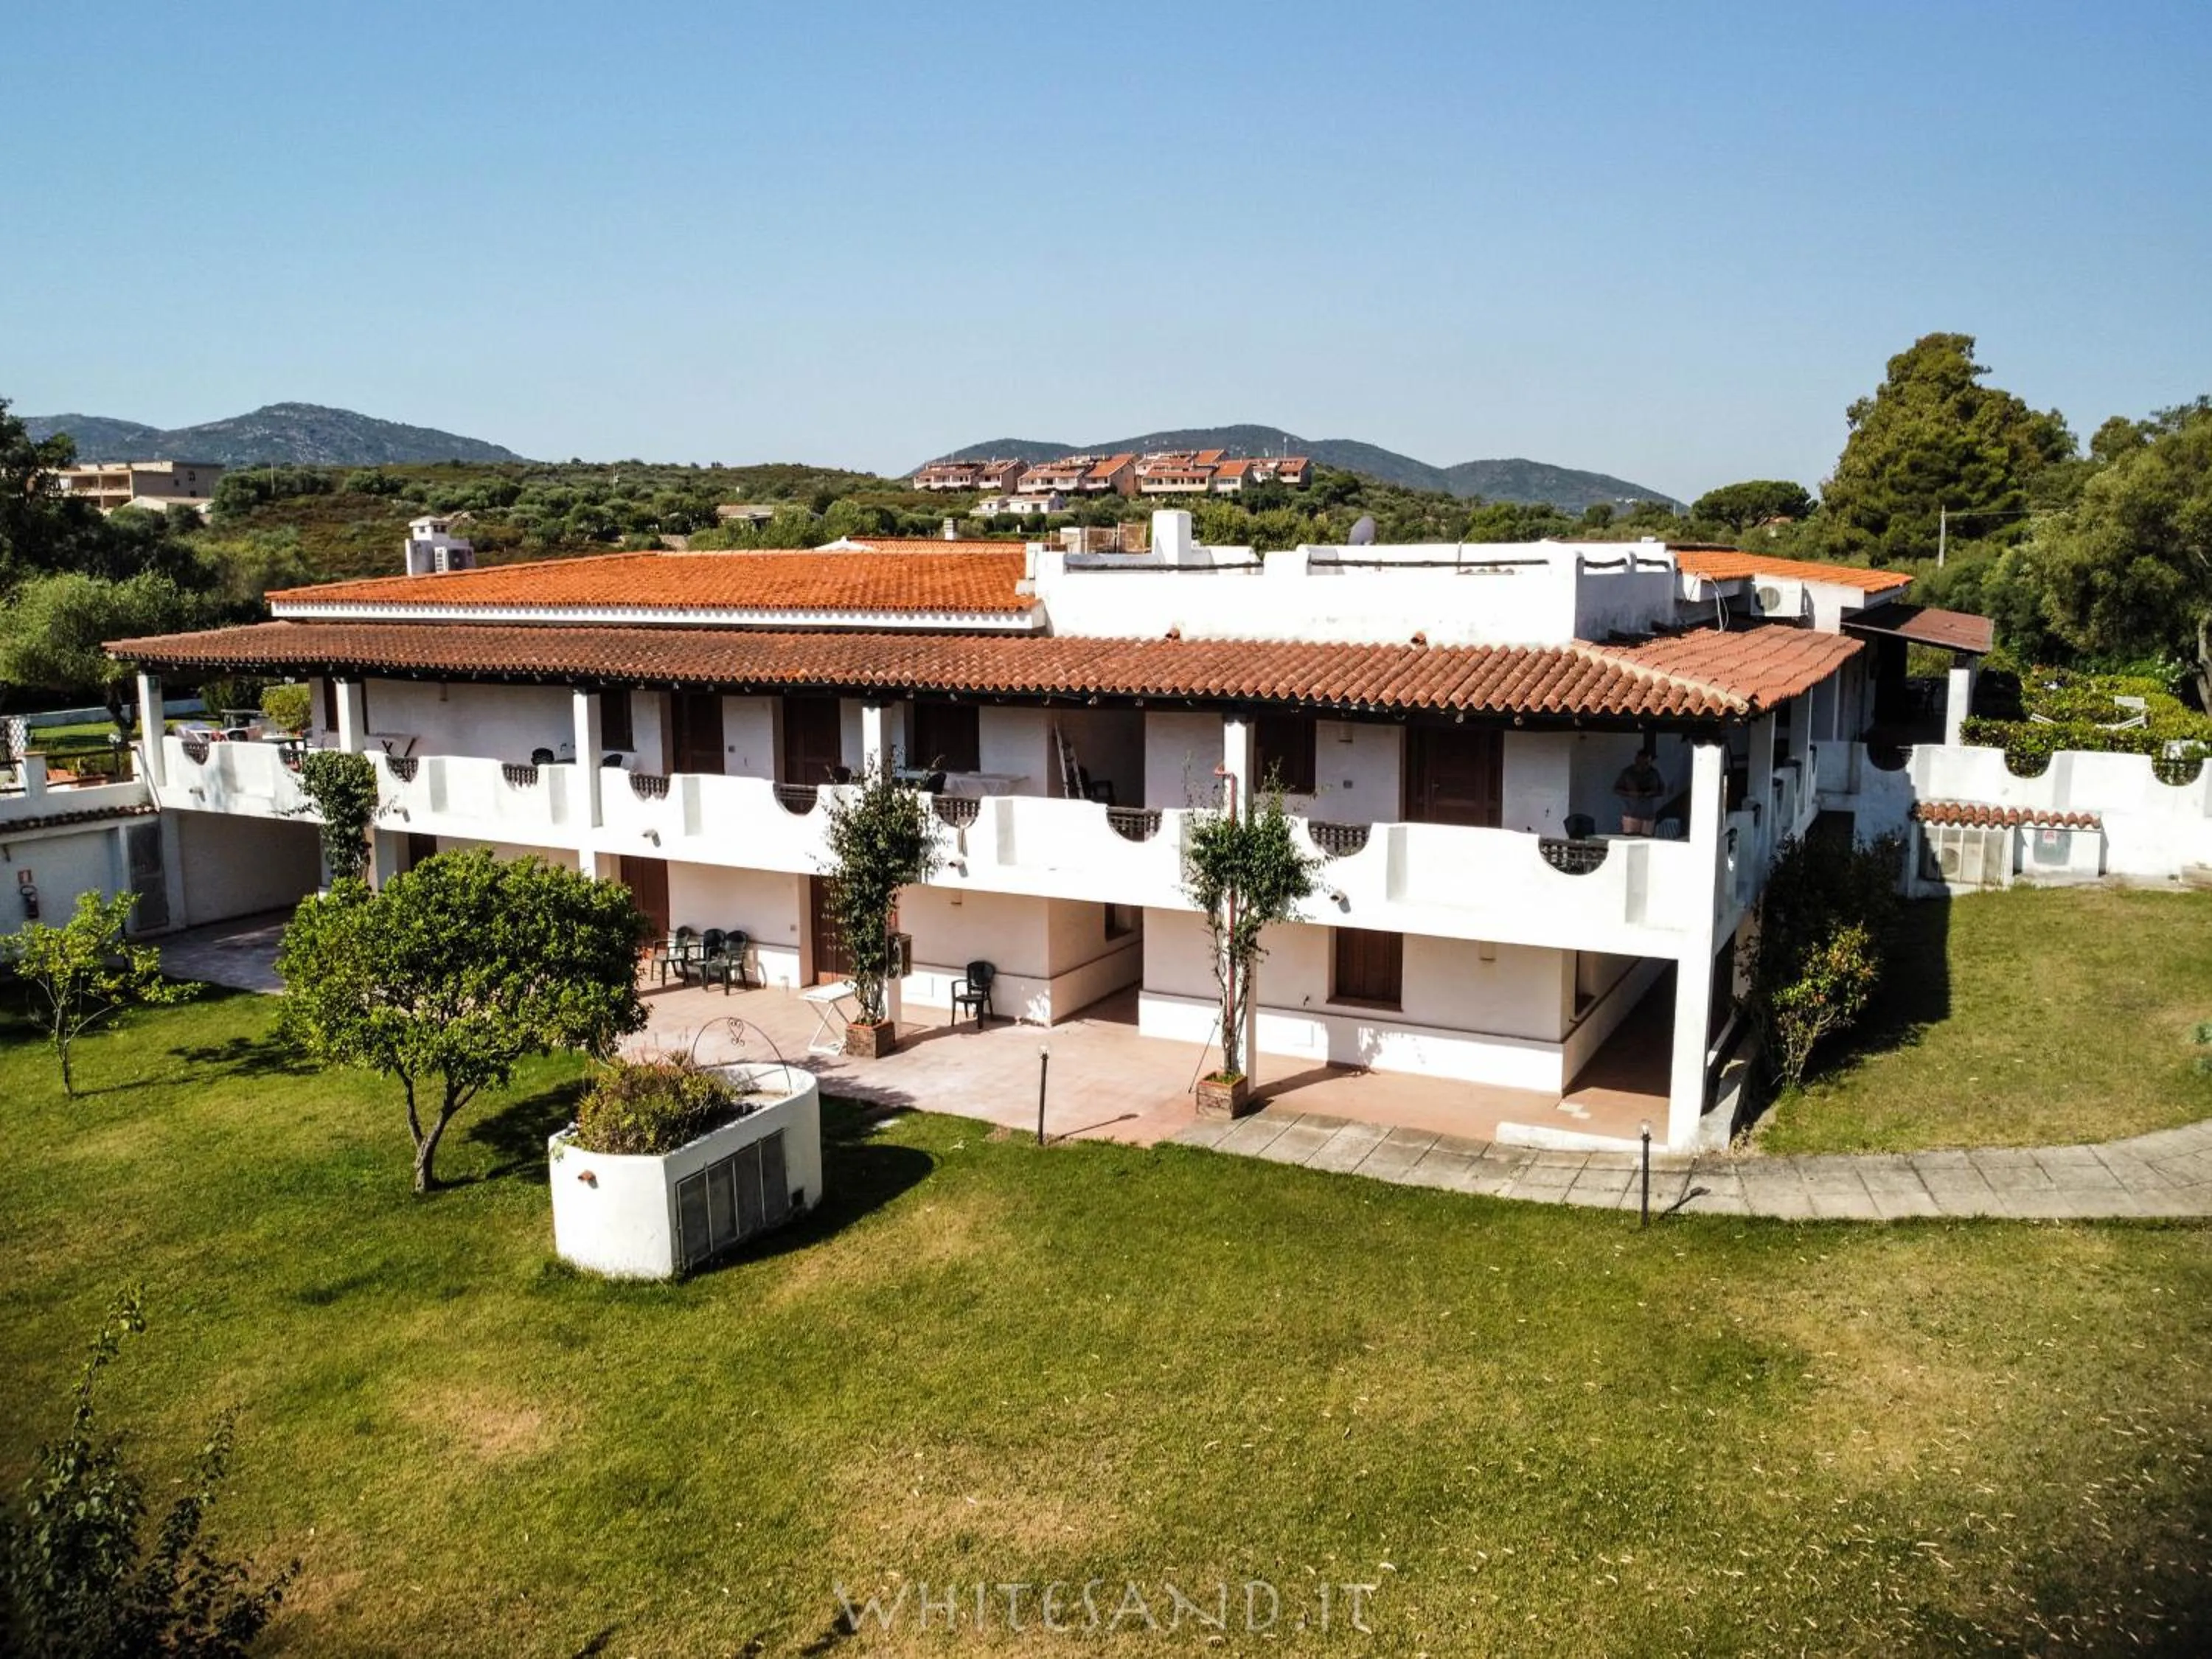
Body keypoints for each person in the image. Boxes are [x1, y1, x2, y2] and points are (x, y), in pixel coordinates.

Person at [1614, 745, 1666, 835]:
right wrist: (1630, 794)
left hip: (1648, 814)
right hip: (1631, 814)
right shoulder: (1627, 773)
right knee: (1630, 840)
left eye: (1648, 763)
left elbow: (1662, 790)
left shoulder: (1654, 773)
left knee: (1647, 841)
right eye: (1643, 762)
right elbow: (1616, 789)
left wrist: (1652, 793)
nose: (1645, 765)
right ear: (1637, 760)